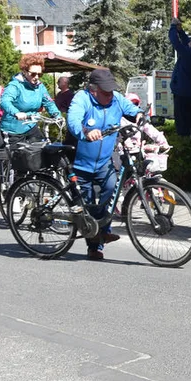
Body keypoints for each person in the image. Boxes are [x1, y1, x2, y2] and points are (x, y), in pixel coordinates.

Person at [67, 68, 140, 260]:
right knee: (87, 206)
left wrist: (140, 115)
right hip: (80, 163)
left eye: (111, 91)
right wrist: (85, 131)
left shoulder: (115, 98)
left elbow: (131, 109)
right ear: (93, 90)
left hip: (103, 163)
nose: (110, 95)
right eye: (105, 92)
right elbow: (73, 119)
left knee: (111, 188)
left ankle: (102, 231)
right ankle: (94, 246)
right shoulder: (81, 99)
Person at [1, 54, 61, 142]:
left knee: (41, 149)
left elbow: (48, 102)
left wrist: (57, 115)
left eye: (39, 74)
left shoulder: (40, 87)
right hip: (14, 128)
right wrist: (16, 113)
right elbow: (5, 102)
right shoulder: (15, 86)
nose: (36, 77)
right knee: (19, 154)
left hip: (31, 125)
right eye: (33, 74)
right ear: (24, 72)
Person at [168, 17, 191, 138]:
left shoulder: (189, 54)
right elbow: (186, 41)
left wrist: (173, 27)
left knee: (182, 122)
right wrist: (180, 31)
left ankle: (184, 145)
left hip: (183, 93)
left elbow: (175, 42)